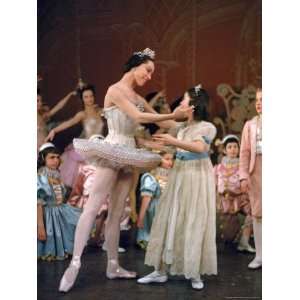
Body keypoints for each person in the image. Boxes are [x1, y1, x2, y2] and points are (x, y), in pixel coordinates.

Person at [58, 48, 192, 292]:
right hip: (113, 151)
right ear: (135, 66)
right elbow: (138, 117)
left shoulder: (138, 97)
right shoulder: (115, 90)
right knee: (93, 207)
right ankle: (74, 264)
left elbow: (162, 119)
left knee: (117, 212)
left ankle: (113, 265)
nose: (149, 76)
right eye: (148, 70)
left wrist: (191, 121)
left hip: (130, 153)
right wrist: (174, 114)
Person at [138, 84, 217, 290]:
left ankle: (194, 271)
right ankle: (160, 269)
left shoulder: (207, 127)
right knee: (169, 216)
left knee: (194, 217)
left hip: (196, 174)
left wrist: (173, 140)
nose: (180, 102)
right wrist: (141, 143)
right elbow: (164, 136)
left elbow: (200, 147)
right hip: (179, 173)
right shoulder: (181, 127)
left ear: (193, 105)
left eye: (184, 99)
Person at [68, 134, 130, 252]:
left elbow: (117, 184)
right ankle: (88, 240)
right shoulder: (85, 168)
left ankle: (107, 241)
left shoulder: (110, 167)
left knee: (111, 217)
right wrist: (74, 199)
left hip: (108, 197)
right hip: (90, 198)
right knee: (93, 217)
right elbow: (78, 185)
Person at [45, 84, 107, 188]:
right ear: (82, 99)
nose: (89, 99)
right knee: (89, 182)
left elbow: (114, 112)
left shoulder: (100, 111)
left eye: (91, 96)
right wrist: (54, 130)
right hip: (88, 149)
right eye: (86, 97)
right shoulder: (82, 114)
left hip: (101, 147)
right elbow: (69, 123)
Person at [37, 143, 81, 261]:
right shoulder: (41, 177)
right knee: (49, 233)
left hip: (58, 210)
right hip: (47, 214)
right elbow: (38, 203)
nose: (56, 160)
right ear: (43, 158)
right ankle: (48, 251)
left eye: (57, 157)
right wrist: (40, 225)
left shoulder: (56, 174)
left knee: (78, 220)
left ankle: (59, 249)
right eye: (52, 157)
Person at [214, 134, 255, 253]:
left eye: (235, 147)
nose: (233, 150)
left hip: (240, 199)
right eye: (230, 147)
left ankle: (244, 241)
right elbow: (216, 185)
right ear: (224, 150)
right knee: (227, 236)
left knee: (253, 212)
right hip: (225, 201)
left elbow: (246, 184)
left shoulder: (243, 168)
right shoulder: (218, 168)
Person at [239, 88, 262, 269]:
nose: (259, 103)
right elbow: (245, 153)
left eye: (263, 99)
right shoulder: (251, 125)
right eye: (257, 100)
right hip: (257, 172)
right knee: (258, 214)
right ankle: (260, 256)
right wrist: (244, 175)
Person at [136, 151, 174, 249]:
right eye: (167, 159)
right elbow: (146, 197)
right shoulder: (151, 177)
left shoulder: (172, 175)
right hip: (156, 208)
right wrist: (141, 216)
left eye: (172, 159)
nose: (170, 162)